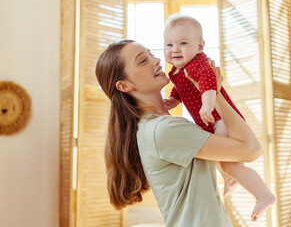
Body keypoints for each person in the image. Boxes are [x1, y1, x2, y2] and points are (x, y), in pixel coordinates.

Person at [95, 39, 263, 226]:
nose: (156, 60)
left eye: (151, 54)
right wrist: (216, 93)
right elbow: (251, 149)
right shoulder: (163, 130)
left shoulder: (155, 128)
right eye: (143, 61)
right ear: (124, 86)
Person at [163, 14, 275, 221]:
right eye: (169, 44)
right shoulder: (178, 71)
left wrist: (208, 102)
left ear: (200, 46)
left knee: (232, 163)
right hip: (211, 123)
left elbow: (208, 80)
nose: (175, 49)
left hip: (220, 120)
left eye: (183, 43)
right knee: (216, 157)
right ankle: (228, 177)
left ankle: (263, 195)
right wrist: (171, 101)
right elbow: (181, 91)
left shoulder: (198, 64)